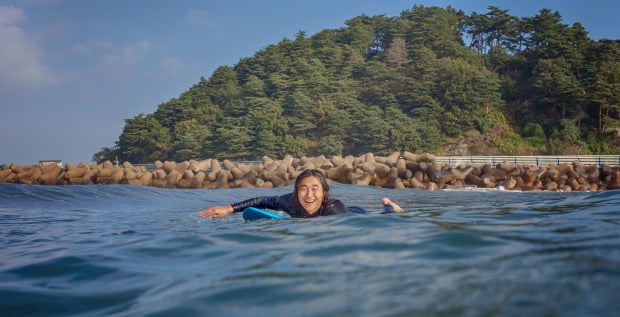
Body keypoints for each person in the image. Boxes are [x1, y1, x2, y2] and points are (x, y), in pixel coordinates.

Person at [200, 169, 404, 219]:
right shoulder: (289, 201)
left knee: (386, 216)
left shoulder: (333, 209)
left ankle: (388, 203)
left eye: (314, 188)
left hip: (355, 214)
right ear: (296, 192)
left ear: (324, 192)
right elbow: (262, 200)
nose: (308, 194)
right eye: (303, 188)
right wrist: (228, 209)